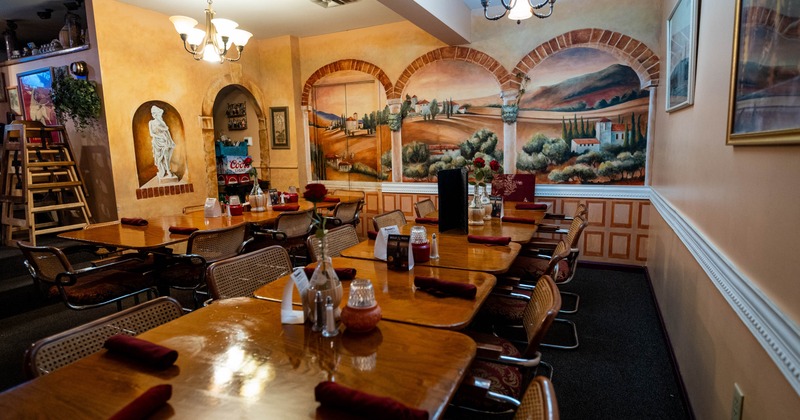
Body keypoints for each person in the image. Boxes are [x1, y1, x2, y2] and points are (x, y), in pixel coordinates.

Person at [149, 105, 176, 179]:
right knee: (159, 158)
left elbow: (167, 130)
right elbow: (151, 133)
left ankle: (168, 170)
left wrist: (166, 138)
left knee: (166, 156)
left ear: (158, 114)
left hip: (165, 141)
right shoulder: (151, 122)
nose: (153, 115)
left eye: (154, 113)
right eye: (152, 113)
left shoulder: (162, 122)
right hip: (157, 142)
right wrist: (160, 136)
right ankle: (162, 170)